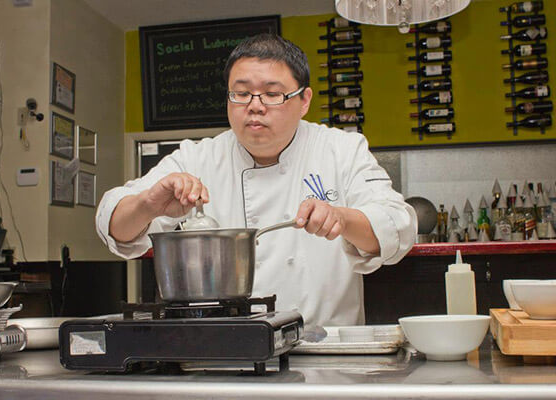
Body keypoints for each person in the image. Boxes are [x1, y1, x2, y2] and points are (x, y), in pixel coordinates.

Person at [96, 33, 416, 328]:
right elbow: (115, 228)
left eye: (272, 94)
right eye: (241, 93)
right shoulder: (199, 157)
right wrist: (147, 204)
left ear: (304, 101)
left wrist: (342, 219)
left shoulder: (341, 149)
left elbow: (397, 226)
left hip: (322, 349)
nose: (255, 106)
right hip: (221, 349)